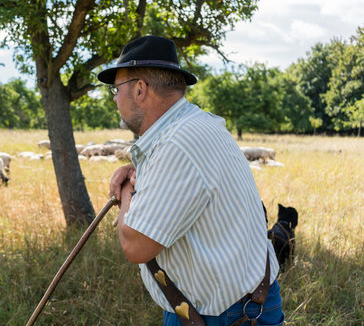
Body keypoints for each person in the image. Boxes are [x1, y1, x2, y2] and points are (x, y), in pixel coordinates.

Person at [98, 35, 284, 326]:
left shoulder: (177, 144)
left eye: (115, 89)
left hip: (226, 315)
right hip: (228, 306)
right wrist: (136, 172)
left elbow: (136, 246)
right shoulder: (195, 125)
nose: (114, 97)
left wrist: (126, 193)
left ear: (139, 90)